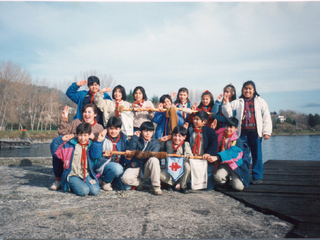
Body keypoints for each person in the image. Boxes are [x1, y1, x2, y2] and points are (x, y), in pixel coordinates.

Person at [221, 80, 272, 184]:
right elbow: (228, 114)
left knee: (257, 155)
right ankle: (243, 175)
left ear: (254, 90)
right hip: (242, 132)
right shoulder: (238, 101)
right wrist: (226, 103)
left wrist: (267, 132)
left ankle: (257, 177)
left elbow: (266, 116)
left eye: (250, 89)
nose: (247, 91)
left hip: (255, 132)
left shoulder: (260, 101)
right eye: (245, 89)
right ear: (242, 90)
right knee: (243, 155)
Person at [51, 104, 104, 191]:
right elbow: (63, 135)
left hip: (88, 155)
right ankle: (59, 179)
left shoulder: (99, 127)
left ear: (95, 114)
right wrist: (64, 119)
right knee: (58, 154)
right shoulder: (76, 122)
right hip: (73, 151)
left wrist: (94, 138)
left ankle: (90, 178)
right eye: (85, 112)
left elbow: (99, 146)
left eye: (89, 112)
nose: (86, 114)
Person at [121, 122, 163, 195]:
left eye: (150, 131)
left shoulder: (155, 143)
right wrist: (134, 139)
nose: (148, 134)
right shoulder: (136, 139)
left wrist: (137, 162)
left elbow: (150, 155)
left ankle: (156, 186)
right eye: (145, 131)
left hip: (146, 167)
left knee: (154, 159)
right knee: (125, 178)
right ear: (141, 131)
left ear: (153, 132)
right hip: (135, 167)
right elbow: (131, 153)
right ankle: (139, 183)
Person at [212, 117, 251, 191]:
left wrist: (217, 157)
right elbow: (211, 138)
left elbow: (233, 154)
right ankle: (225, 181)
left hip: (235, 165)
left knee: (238, 187)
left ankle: (233, 178)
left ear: (236, 128)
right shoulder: (220, 135)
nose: (228, 129)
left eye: (231, 127)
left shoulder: (237, 141)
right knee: (218, 177)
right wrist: (212, 129)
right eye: (227, 126)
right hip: (224, 164)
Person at [94, 116, 131, 191]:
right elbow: (95, 155)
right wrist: (104, 156)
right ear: (107, 128)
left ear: (120, 129)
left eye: (116, 129)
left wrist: (128, 158)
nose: (113, 131)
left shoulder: (124, 139)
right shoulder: (103, 137)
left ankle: (113, 180)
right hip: (104, 166)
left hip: (119, 166)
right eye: (111, 128)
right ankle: (106, 181)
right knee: (117, 168)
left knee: (127, 187)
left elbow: (125, 160)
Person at [187, 111, 218, 190]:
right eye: (194, 119)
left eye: (197, 119)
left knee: (208, 187)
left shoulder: (210, 131)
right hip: (193, 160)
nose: (194, 121)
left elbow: (213, 144)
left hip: (204, 160)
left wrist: (208, 153)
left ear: (204, 121)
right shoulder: (190, 130)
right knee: (191, 185)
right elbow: (186, 143)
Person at [160, 125, 192, 194]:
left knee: (187, 166)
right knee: (159, 174)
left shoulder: (186, 144)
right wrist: (161, 140)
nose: (177, 138)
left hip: (180, 169)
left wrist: (184, 157)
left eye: (180, 136)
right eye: (175, 135)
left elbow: (190, 156)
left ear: (184, 137)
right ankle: (172, 184)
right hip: (169, 168)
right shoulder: (167, 143)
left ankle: (183, 186)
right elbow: (157, 148)